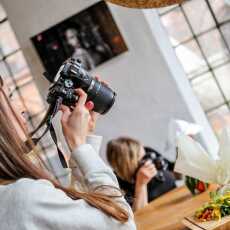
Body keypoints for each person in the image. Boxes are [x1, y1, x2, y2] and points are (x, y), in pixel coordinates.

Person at [0, 76, 136, 230]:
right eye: (10, 97)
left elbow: (75, 215)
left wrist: (85, 140)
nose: (21, 108)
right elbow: (122, 224)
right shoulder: (24, 198)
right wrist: (80, 145)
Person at [106, 137, 176, 211]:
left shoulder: (148, 151)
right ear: (128, 166)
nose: (150, 161)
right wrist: (141, 184)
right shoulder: (117, 186)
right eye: (143, 158)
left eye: (147, 155)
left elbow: (177, 173)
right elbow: (139, 217)